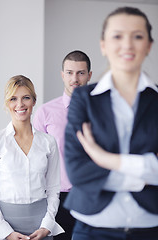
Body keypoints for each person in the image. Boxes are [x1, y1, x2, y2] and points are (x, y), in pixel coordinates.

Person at [64, 6, 158, 240]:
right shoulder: (83, 98)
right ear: (103, 45)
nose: (127, 44)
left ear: (149, 45)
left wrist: (107, 160)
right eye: (117, 36)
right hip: (91, 229)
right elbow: (77, 171)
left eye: (137, 36)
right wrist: (144, 172)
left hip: (150, 228)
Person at [33, 50, 92, 240]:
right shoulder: (45, 113)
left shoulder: (101, 110)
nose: (75, 78)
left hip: (93, 195)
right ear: (62, 74)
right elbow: (36, 158)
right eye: (69, 72)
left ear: (89, 75)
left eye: (81, 73)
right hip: (58, 200)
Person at [0, 75, 64, 240]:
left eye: (26, 98)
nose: (20, 104)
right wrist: (6, 232)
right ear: (7, 104)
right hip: (5, 227)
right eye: (13, 98)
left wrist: (47, 226)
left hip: (41, 226)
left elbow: (54, 188)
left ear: (34, 101)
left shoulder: (48, 142)